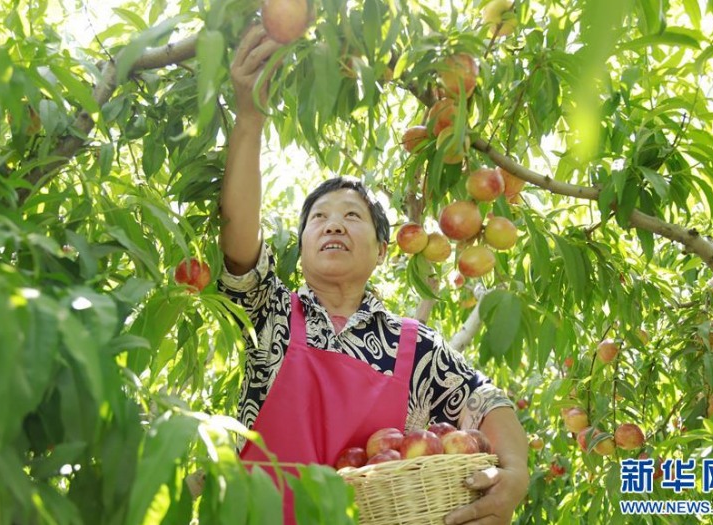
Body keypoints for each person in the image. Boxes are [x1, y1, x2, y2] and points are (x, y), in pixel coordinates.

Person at [211, 23, 529, 525]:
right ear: (302, 246)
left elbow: (487, 400)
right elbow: (239, 245)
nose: (333, 222)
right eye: (319, 217)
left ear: (382, 251)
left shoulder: (412, 346)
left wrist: (515, 474)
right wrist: (249, 119)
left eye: (351, 215)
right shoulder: (270, 313)